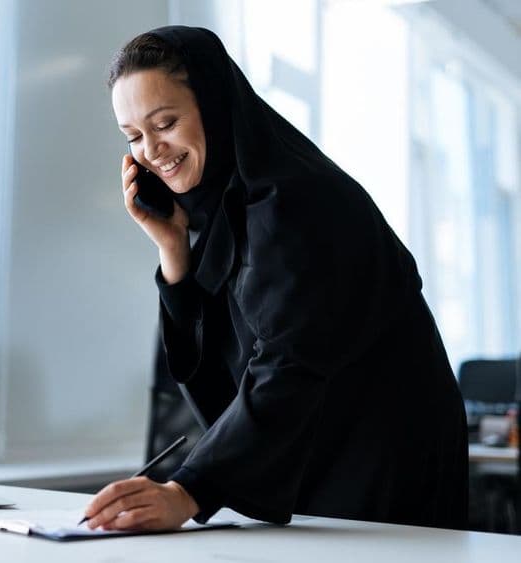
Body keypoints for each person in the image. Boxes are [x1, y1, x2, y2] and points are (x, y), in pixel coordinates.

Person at [81, 26, 468, 532]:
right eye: (134, 136)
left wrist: (191, 489)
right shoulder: (226, 212)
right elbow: (219, 388)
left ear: (216, 105)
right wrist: (174, 251)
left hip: (382, 466)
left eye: (166, 122)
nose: (151, 150)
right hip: (321, 462)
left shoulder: (295, 202)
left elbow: (287, 363)